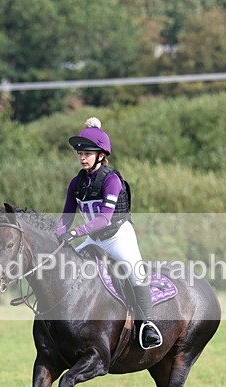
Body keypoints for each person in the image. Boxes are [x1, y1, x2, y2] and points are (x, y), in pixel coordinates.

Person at [55, 117, 162, 349]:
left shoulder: (112, 180)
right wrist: (58, 234)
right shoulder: (77, 182)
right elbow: (66, 216)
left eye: (87, 153)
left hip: (117, 236)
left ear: (101, 155)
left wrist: (75, 233)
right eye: (79, 154)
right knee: (66, 267)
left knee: (136, 272)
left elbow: (104, 218)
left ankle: (148, 326)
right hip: (93, 238)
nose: (82, 158)